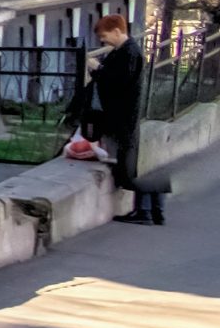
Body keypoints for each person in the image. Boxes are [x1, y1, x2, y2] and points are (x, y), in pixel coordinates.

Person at [67, 11, 163, 225]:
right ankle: (152, 209)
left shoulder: (128, 52)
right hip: (123, 115)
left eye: (104, 36)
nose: (103, 41)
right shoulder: (124, 51)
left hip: (124, 116)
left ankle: (149, 207)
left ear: (117, 31)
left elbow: (117, 82)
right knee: (127, 167)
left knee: (127, 172)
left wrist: (96, 69)